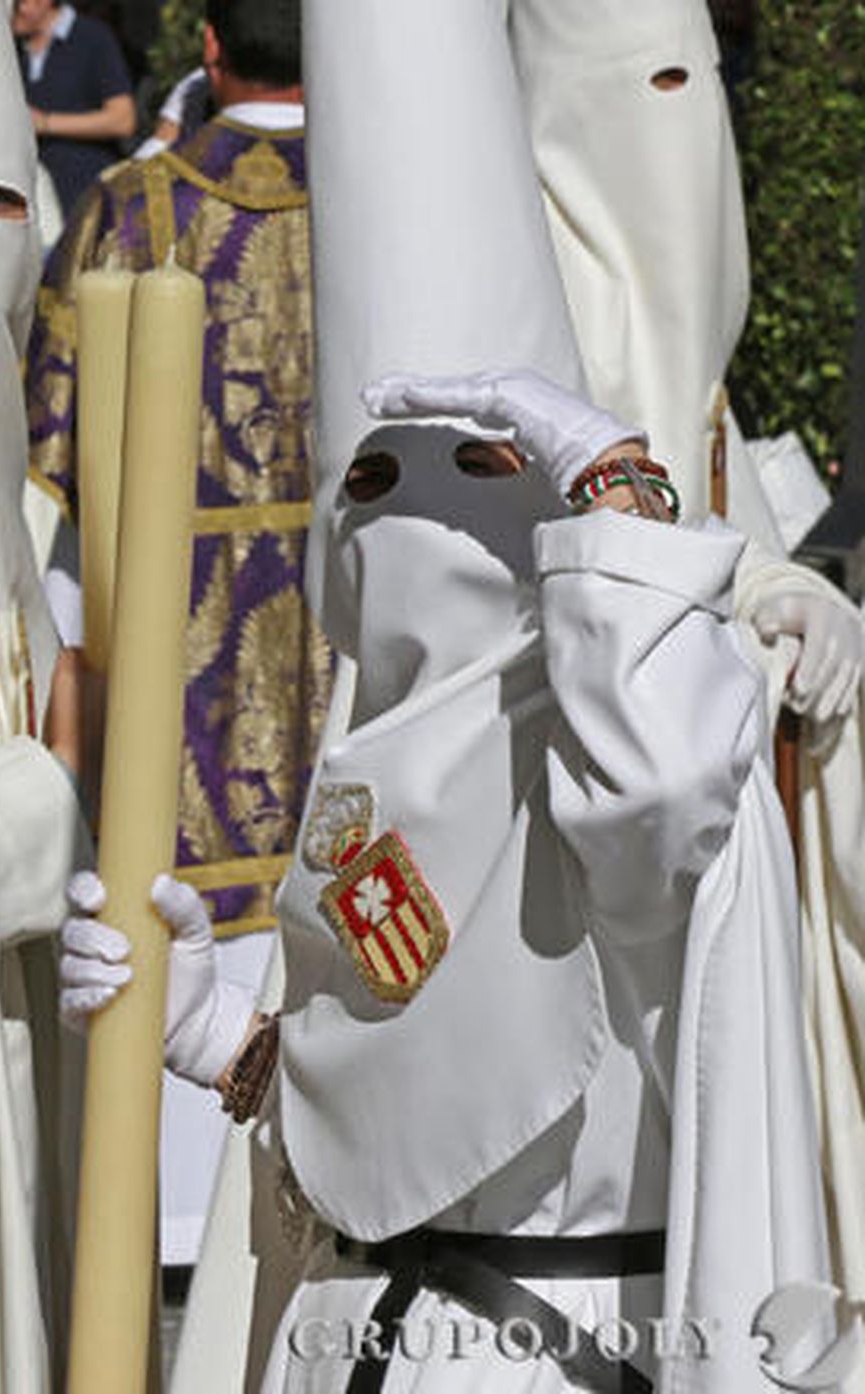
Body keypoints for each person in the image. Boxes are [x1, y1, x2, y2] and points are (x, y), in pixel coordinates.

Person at [65, 0, 831, 1389]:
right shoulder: (371, 761)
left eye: (488, 471)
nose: (425, 520)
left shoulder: (630, 717)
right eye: (375, 484)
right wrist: (232, 1042)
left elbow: (663, 795)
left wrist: (620, 504)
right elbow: (415, 1119)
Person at [512, 0, 865, 1305]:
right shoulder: (529, 366)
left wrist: (802, 608)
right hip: (578, 943)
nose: (677, 141)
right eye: (643, 90)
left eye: (691, 92)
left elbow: (714, 539)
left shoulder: (688, 372)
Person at [26, 0, 328, 1267]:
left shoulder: (130, 213)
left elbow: (50, 464)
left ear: (207, 47)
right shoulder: (403, 211)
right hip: (337, 671)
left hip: (172, 681)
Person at [12, 0, 135, 218]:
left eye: (17, 2)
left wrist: (45, 123)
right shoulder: (10, 48)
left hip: (87, 202)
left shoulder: (92, 38)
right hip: (31, 208)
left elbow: (123, 120)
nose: (10, 9)